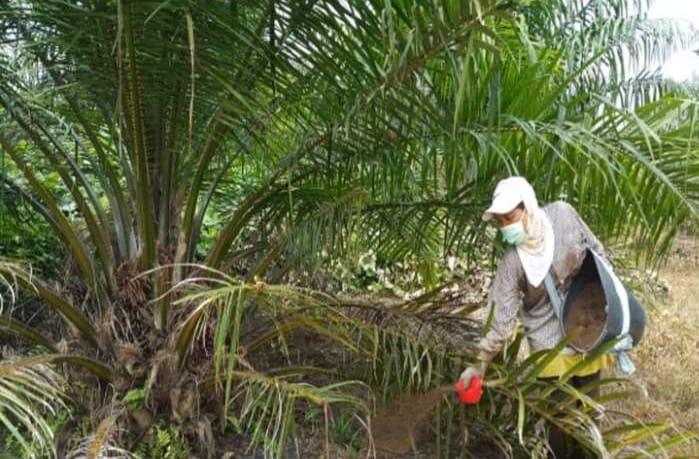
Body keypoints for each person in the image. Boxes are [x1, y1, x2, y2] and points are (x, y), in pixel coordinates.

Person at [460, 176, 613, 458]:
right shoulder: (513, 262)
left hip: (587, 328)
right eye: (500, 221)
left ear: (528, 207)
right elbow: (499, 317)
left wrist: (607, 299)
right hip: (549, 347)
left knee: (590, 417)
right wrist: (478, 366)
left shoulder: (563, 216)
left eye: (509, 217)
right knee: (559, 425)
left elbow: (597, 252)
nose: (506, 226)